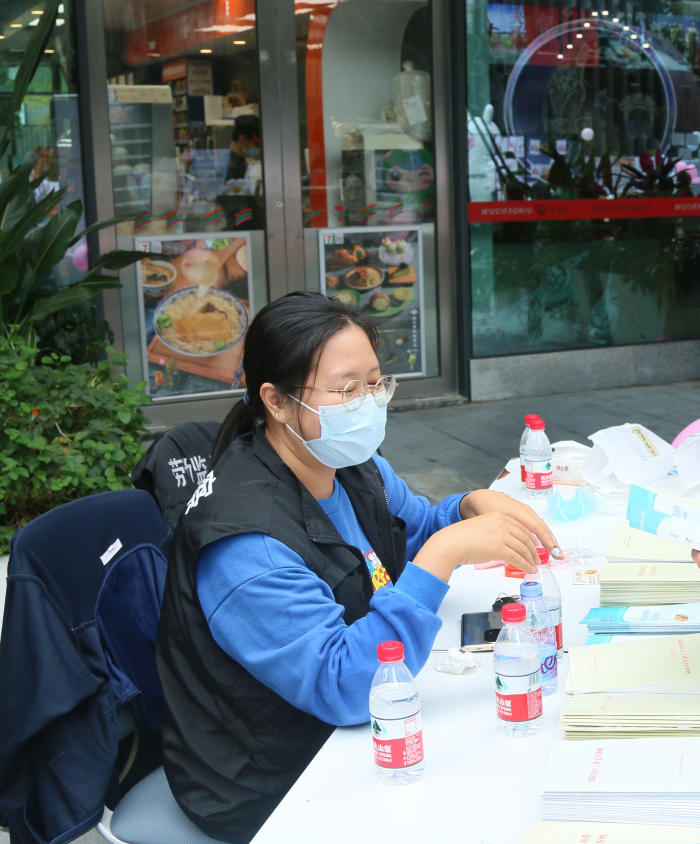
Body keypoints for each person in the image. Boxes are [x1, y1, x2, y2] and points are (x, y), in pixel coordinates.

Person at [156, 292, 559, 842]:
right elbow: (343, 687)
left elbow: (413, 528)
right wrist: (444, 553)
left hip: (356, 735)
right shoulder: (247, 543)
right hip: (273, 779)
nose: (369, 404)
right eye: (347, 390)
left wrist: (466, 508)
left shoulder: (347, 461)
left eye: (375, 383)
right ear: (276, 401)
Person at [224, 115, 261, 181]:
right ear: (243, 139)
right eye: (257, 144)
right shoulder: (229, 168)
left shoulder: (238, 161)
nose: (259, 148)